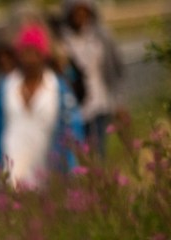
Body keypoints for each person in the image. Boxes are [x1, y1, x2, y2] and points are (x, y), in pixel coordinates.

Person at [0, 23, 85, 188]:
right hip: (11, 172)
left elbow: (72, 130)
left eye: (34, 52)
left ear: (43, 55)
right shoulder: (5, 87)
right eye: (25, 52)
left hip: (48, 172)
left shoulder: (58, 88)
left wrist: (69, 167)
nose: (30, 58)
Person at [57, 0, 125, 156]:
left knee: (98, 153)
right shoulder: (61, 39)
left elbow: (115, 70)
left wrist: (118, 101)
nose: (80, 16)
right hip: (73, 109)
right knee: (76, 155)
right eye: (76, 11)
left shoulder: (101, 36)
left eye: (83, 11)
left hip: (99, 104)